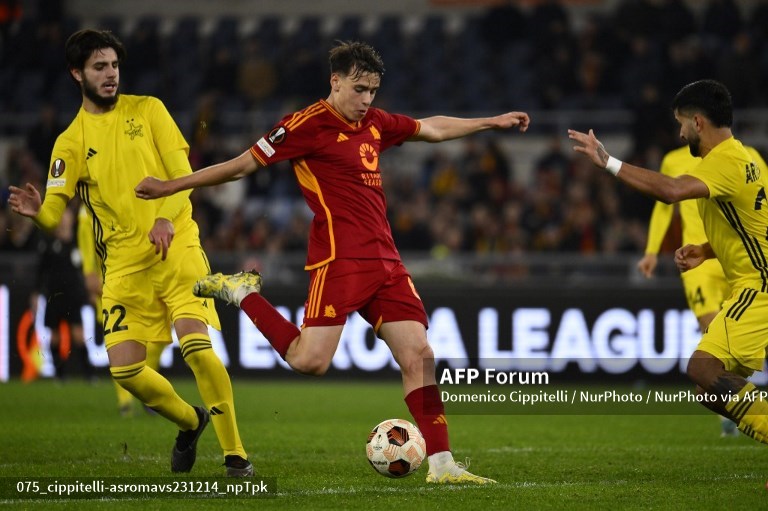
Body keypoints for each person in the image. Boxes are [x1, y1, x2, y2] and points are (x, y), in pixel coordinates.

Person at [135, 40, 530, 485]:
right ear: (335, 81)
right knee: (310, 361)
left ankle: (443, 467)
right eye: (359, 89)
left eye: (373, 92)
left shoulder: (376, 123)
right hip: (338, 260)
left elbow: (430, 128)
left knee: (419, 355)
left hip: (386, 261)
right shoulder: (304, 125)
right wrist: (172, 186)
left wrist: (489, 122)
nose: (366, 101)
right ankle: (242, 292)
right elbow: (242, 166)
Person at [8, 29, 252, 476]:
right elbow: (53, 215)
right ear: (76, 73)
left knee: (196, 348)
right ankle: (190, 420)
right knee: (125, 372)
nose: (110, 75)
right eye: (100, 67)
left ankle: (235, 454)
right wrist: (37, 211)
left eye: (114, 66)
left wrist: (163, 217)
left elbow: (185, 178)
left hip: (177, 245)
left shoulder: (149, 109)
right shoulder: (70, 142)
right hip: (122, 265)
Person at [569, 79, 768, 446]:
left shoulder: (724, 160)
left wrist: (607, 161)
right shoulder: (744, 158)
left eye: (680, 123)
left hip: (758, 288)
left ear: (697, 122)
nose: (679, 133)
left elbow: (671, 192)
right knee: (708, 388)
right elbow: (754, 223)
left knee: (702, 367)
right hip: (751, 282)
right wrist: (708, 250)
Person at [636, 143, 768, 437]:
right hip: (700, 264)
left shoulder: (747, 159)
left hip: (743, 261)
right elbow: (663, 205)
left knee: (711, 364)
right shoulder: (674, 159)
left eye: (683, 122)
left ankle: (749, 409)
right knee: (710, 351)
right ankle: (739, 412)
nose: (682, 131)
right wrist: (651, 250)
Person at [76, 203, 164, 417]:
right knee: (119, 338)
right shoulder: (87, 211)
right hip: (111, 279)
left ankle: (146, 391)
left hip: (145, 274)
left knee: (157, 339)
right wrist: (90, 272)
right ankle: (125, 400)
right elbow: (87, 244)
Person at [31, 204, 94, 382]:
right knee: (55, 338)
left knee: (79, 336)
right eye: (61, 216)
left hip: (73, 296)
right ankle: (60, 376)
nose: (64, 220)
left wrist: (88, 291)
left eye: (66, 216)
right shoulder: (48, 244)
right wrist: (35, 293)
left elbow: (86, 269)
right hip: (54, 296)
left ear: (71, 219)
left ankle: (89, 376)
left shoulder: (78, 243)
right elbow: (40, 272)